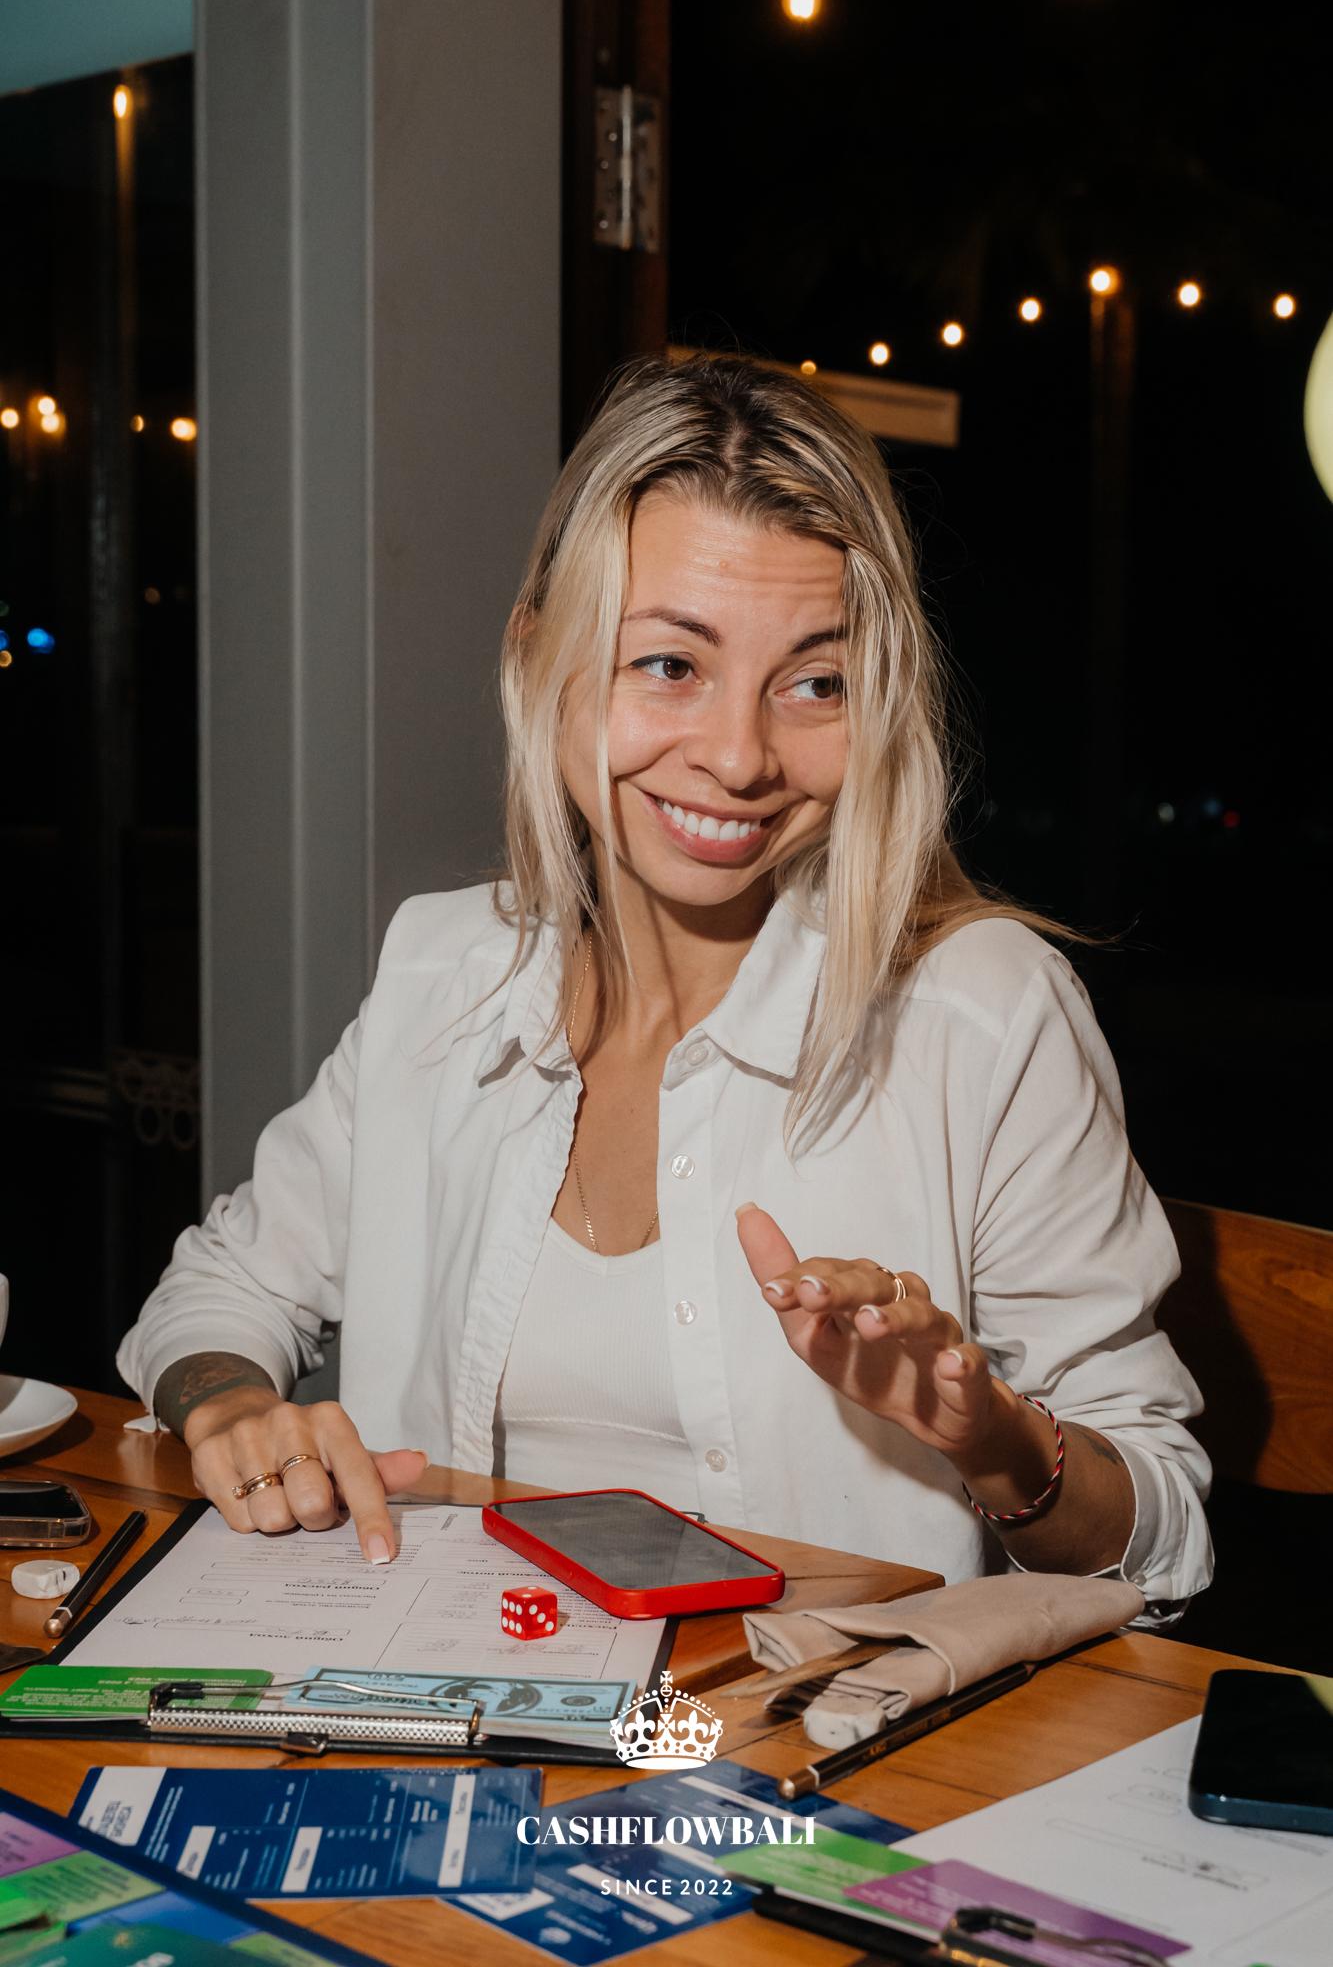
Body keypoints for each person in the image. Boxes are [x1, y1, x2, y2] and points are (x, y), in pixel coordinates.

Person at [119, 355, 1212, 1619]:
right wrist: (232, 1407)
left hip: (797, 1727)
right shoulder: (443, 969)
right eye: (670, 664)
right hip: (439, 1692)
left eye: (814, 682)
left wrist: (999, 1444)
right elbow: (215, 1292)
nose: (740, 757)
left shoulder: (985, 1014)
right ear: (541, 661)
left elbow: (1165, 1538)